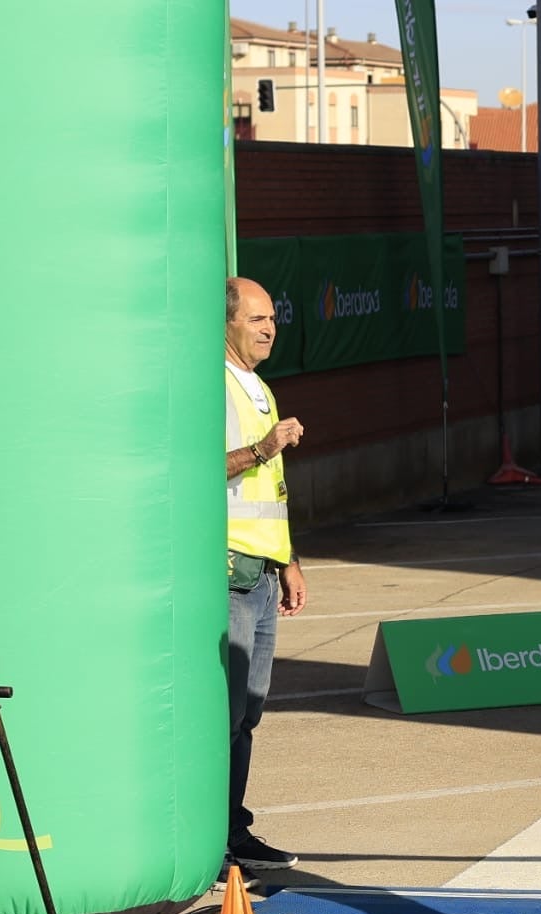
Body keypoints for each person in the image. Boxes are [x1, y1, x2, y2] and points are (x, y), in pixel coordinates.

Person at [223, 277, 306, 881]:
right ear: (226, 322)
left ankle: (235, 829)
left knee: (250, 710)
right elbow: (197, 465)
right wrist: (260, 448)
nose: (269, 327)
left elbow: (271, 491)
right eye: (257, 318)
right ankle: (216, 836)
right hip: (227, 569)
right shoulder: (212, 384)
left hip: (263, 573)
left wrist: (290, 559)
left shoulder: (259, 389)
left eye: (272, 317)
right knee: (224, 714)